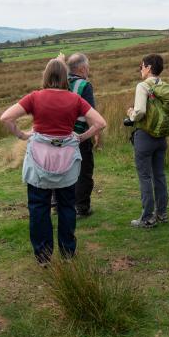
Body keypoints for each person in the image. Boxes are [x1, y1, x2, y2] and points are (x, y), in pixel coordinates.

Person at [0, 59, 106, 263]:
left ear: (46, 76)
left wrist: (22, 135)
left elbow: (6, 117)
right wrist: (80, 137)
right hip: (67, 159)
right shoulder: (74, 99)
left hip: (39, 159)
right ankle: (67, 253)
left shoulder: (34, 97)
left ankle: (43, 256)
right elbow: (100, 122)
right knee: (67, 205)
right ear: (65, 77)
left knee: (39, 207)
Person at [127, 54, 169, 228]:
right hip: (161, 138)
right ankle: (162, 213)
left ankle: (147, 218)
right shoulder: (166, 87)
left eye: (141, 66)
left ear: (149, 67)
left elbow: (140, 112)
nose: (140, 69)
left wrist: (130, 113)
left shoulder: (143, 86)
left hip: (144, 136)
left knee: (145, 176)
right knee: (159, 175)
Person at [66, 53, 97, 217]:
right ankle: (81, 207)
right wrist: (96, 133)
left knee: (61, 169)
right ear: (83, 68)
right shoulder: (84, 85)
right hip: (80, 135)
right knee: (84, 171)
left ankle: (58, 204)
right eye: (88, 67)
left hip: (60, 135)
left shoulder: (60, 83)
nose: (89, 70)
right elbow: (90, 113)